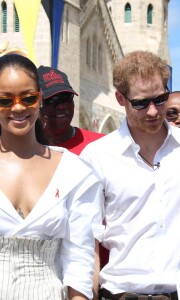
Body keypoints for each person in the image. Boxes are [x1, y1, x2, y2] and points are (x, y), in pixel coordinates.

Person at [80, 50, 180, 300]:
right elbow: (86, 233)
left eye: (161, 99)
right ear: (120, 99)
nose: (154, 111)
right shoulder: (97, 155)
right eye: (141, 103)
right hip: (121, 293)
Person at [0, 54, 103, 299]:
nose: (17, 107)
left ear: (39, 101)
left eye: (27, 98)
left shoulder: (74, 171)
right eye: (5, 100)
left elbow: (79, 260)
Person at [37, 65, 105, 155]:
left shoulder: (102, 145)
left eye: (67, 97)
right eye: (53, 99)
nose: (61, 106)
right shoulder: (21, 150)